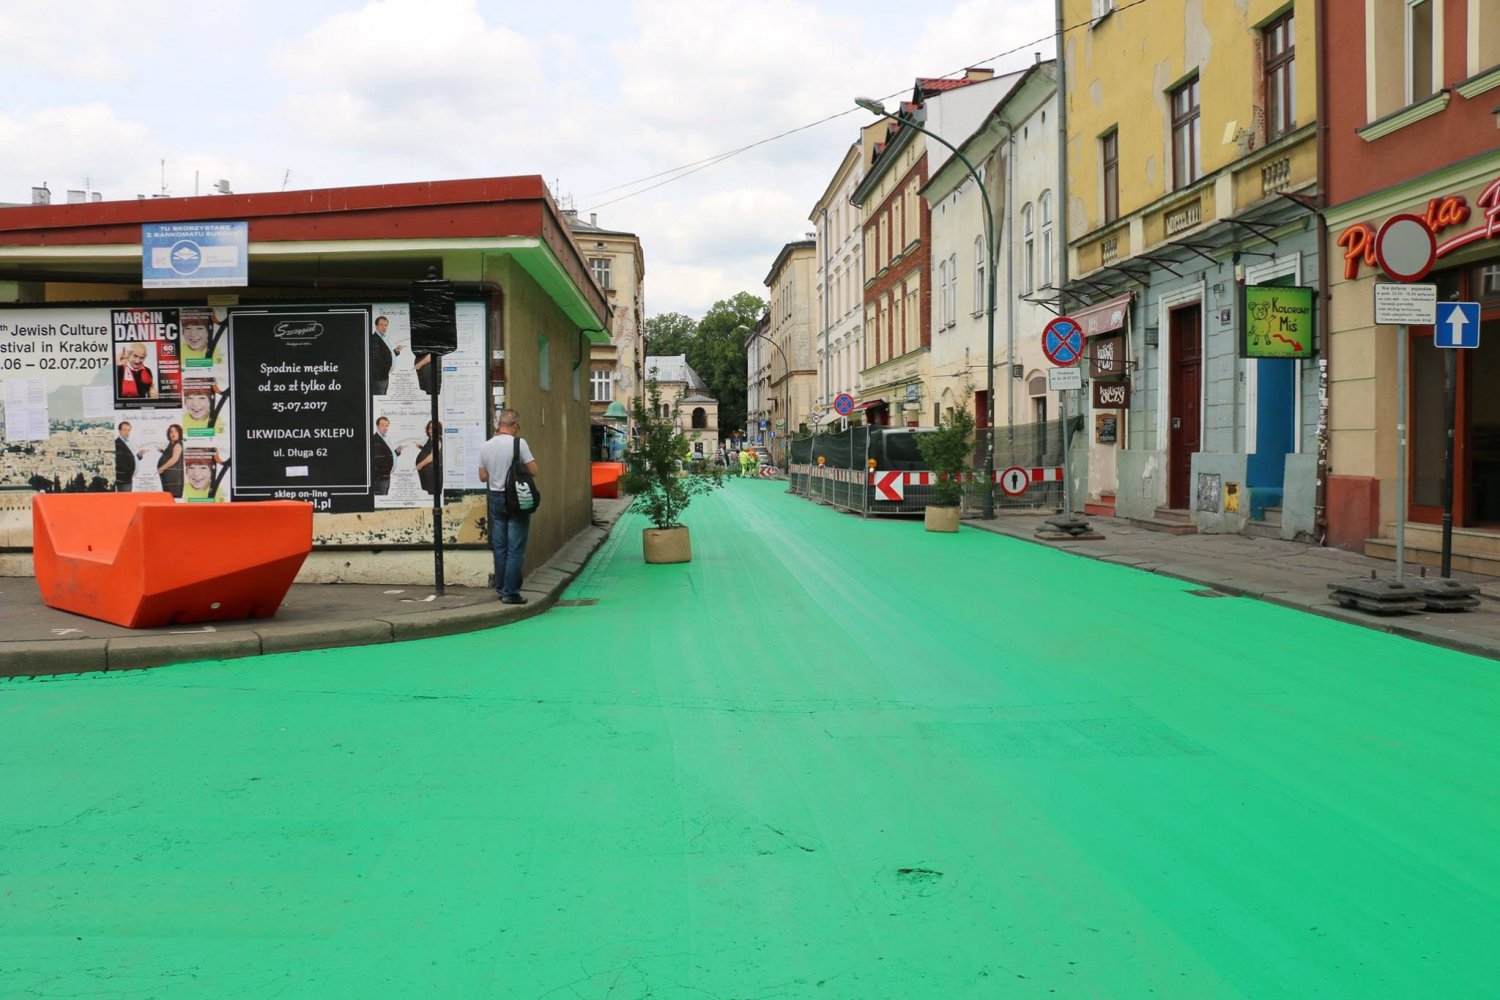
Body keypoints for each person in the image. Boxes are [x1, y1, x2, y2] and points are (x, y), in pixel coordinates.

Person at [477, 409, 538, 605]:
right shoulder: (519, 444)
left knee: (500, 547)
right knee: (515, 548)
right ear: (514, 425)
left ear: (499, 425)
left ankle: (501, 587)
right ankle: (511, 593)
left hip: (495, 498)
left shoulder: (486, 446)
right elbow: (534, 470)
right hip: (515, 499)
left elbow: (483, 477)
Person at [370, 315, 402, 395]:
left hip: (383, 376)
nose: (384, 327)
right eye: (381, 325)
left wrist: (395, 352)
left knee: (382, 395)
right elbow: (376, 359)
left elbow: (384, 355)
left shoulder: (382, 338)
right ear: (376, 326)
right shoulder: (374, 339)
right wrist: (388, 367)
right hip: (378, 378)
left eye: (385, 325)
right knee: (379, 397)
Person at [371, 416, 398, 495]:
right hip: (380, 477)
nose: (384, 427)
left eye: (386, 425)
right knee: (381, 499)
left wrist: (397, 452)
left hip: (385, 476)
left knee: (384, 497)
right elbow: (377, 459)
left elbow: (387, 455)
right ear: (377, 426)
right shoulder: (375, 439)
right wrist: (389, 469)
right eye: (382, 425)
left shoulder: (385, 438)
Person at [156, 424, 184, 498]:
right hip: (168, 477)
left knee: (173, 498)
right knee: (168, 497)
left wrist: (162, 468)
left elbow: (174, 459)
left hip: (173, 479)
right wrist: (162, 451)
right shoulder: (171, 444)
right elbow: (169, 455)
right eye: (171, 432)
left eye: (176, 431)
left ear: (179, 433)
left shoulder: (177, 445)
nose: (173, 434)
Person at [415, 419, 440, 494]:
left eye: (433, 428)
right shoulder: (430, 439)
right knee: (430, 492)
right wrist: (420, 447)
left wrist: (420, 464)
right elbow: (428, 450)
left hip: (431, 472)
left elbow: (433, 455)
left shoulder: (437, 440)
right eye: (429, 428)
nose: (431, 430)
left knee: (433, 493)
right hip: (427, 472)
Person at [114, 421, 136, 491]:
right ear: (119, 431)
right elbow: (120, 462)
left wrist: (138, 456)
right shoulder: (117, 443)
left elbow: (129, 458)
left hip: (128, 479)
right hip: (123, 480)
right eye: (124, 430)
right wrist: (131, 472)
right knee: (125, 500)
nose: (127, 432)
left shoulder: (127, 442)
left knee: (128, 499)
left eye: (128, 430)